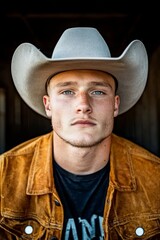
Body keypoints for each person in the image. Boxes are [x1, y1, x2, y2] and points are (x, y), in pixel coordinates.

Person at [0, 27, 160, 240]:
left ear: (115, 104)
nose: (83, 105)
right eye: (67, 91)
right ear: (48, 105)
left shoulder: (155, 179)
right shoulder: (3, 177)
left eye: (98, 91)